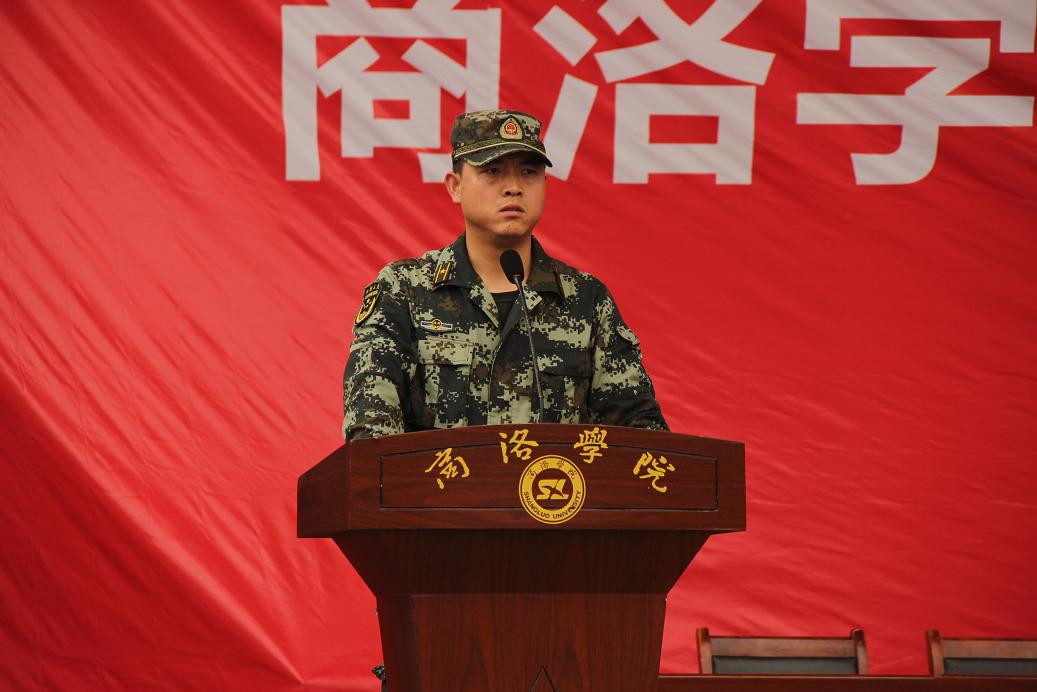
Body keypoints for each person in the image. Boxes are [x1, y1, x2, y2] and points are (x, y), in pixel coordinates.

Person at [342, 109, 667, 440]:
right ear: (455, 186)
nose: (513, 187)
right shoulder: (405, 290)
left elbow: (641, 433)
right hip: (439, 476)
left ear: (545, 184)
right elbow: (370, 427)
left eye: (528, 172)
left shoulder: (586, 300)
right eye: (493, 171)